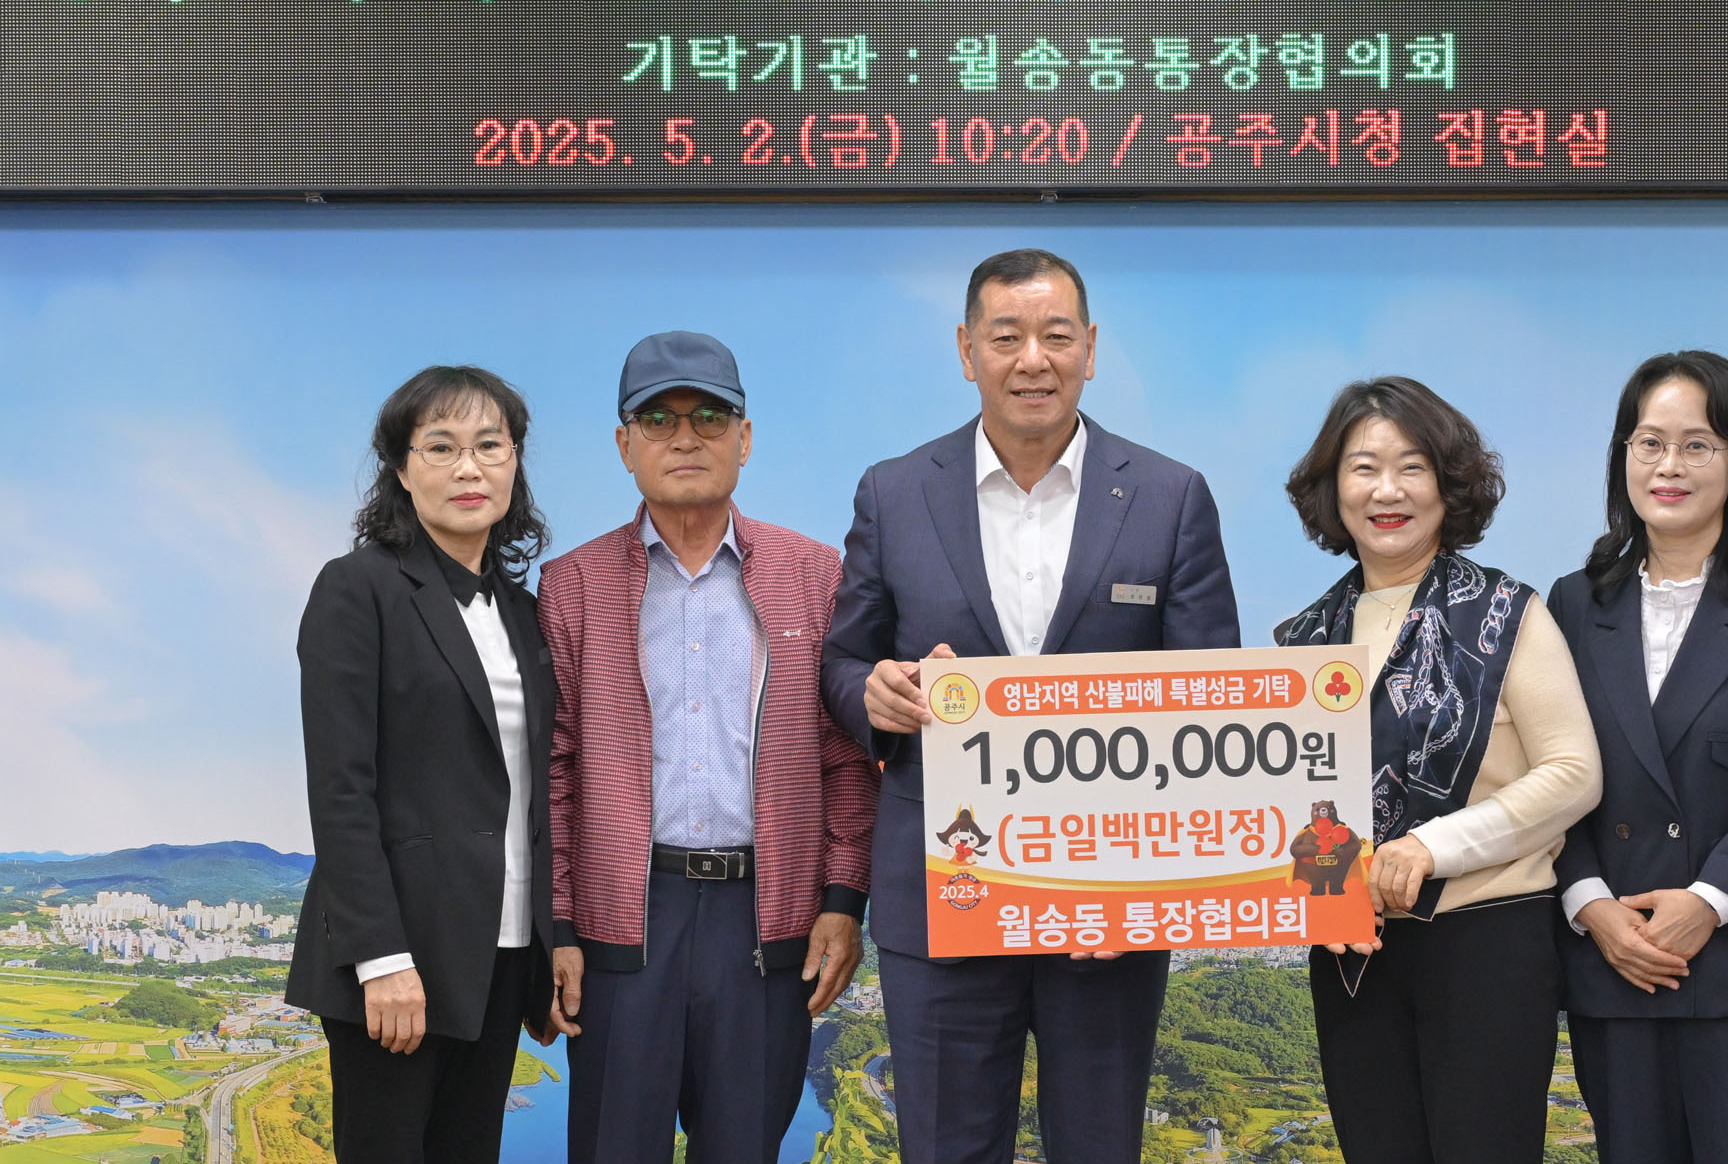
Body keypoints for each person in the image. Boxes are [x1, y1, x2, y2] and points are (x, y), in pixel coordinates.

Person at [822, 248, 1240, 1164]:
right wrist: (875, 693)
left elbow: (1212, 702)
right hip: (946, 887)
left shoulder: (1170, 497)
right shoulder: (895, 491)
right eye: (1006, 337)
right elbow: (844, 661)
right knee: (946, 1145)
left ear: (1090, 347)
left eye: (1056, 336)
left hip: (1110, 901)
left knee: (1098, 1145)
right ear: (966, 350)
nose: (1033, 360)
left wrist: (1145, 893)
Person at [538, 330, 878, 1164]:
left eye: (709, 417)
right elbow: (555, 771)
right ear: (625, 445)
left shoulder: (813, 574)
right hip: (624, 923)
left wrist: (843, 899)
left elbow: (845, 758)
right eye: (657, 419)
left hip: (766, 923)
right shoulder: (571, 584)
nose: (684, 437)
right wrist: (559, 924)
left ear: (745, 437)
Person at [1276, 376, 1602, 1164]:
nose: (1387, 490)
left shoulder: (1508, 613)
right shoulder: (1301, 641)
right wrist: (1322, 899)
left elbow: (1574, 772)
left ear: (1449, 484)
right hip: (1353, 953)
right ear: (1333, 488)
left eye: (1412, 467)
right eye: (1363, 468)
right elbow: (1288, 808)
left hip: (1487, 941)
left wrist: (1431, 847)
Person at [1548, 350, 1728, 1164]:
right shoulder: (1573, 602)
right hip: (1617, 959)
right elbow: (1546, 773)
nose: (1668, 466)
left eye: (1697, 445)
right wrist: (1590, 905)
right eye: (1649, 443)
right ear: (1623, 457)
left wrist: (1708, 902)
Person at [287, 365, 558, 1164]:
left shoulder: (525, 614)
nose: (469, 467)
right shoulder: (357, 589)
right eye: (441, 447)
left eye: (489, 446)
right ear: (402, 471)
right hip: (400, 963)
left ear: (514, 462)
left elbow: (535, 793)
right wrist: (382, 958)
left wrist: (546, 952)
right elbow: (341, 790)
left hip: (503, 955)